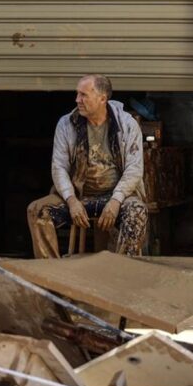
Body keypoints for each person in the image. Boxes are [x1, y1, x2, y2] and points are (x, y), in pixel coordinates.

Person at [27, 74, 147, 258]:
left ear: (102, 98)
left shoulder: (127, 124)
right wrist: (71, 200)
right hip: (79, 196)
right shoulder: (66, 124)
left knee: (136, 212)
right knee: (37, 210)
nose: (77, 100)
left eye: (83, 95)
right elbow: (58, 167)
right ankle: (50, 272)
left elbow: (134, 169)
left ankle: (124, 273)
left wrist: (116, 201)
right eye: (77, 94)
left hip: (117, 196)